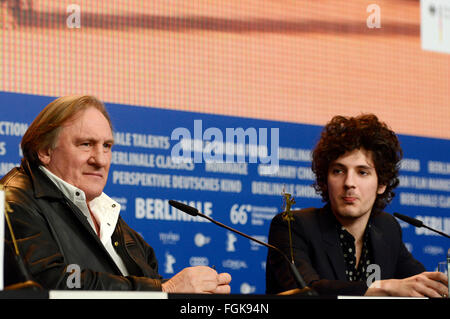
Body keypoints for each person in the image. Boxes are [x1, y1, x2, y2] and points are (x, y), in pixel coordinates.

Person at [1, 95, 231, 293]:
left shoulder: (108, 215)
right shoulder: (13, 201)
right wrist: (164, 290)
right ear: (44, 151)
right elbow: (48, 282)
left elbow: (145, 282)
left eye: (107, 146)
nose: (100, 160)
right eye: (86, 144)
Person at [266, 114, 448, 297]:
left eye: (362, 172)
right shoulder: (292, 226)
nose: (349, 183)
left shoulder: (387, 228)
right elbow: (307, 292)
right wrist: (381, 288)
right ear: (325, 179)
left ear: (382, 183)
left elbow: (419, 283)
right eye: (338, 171)